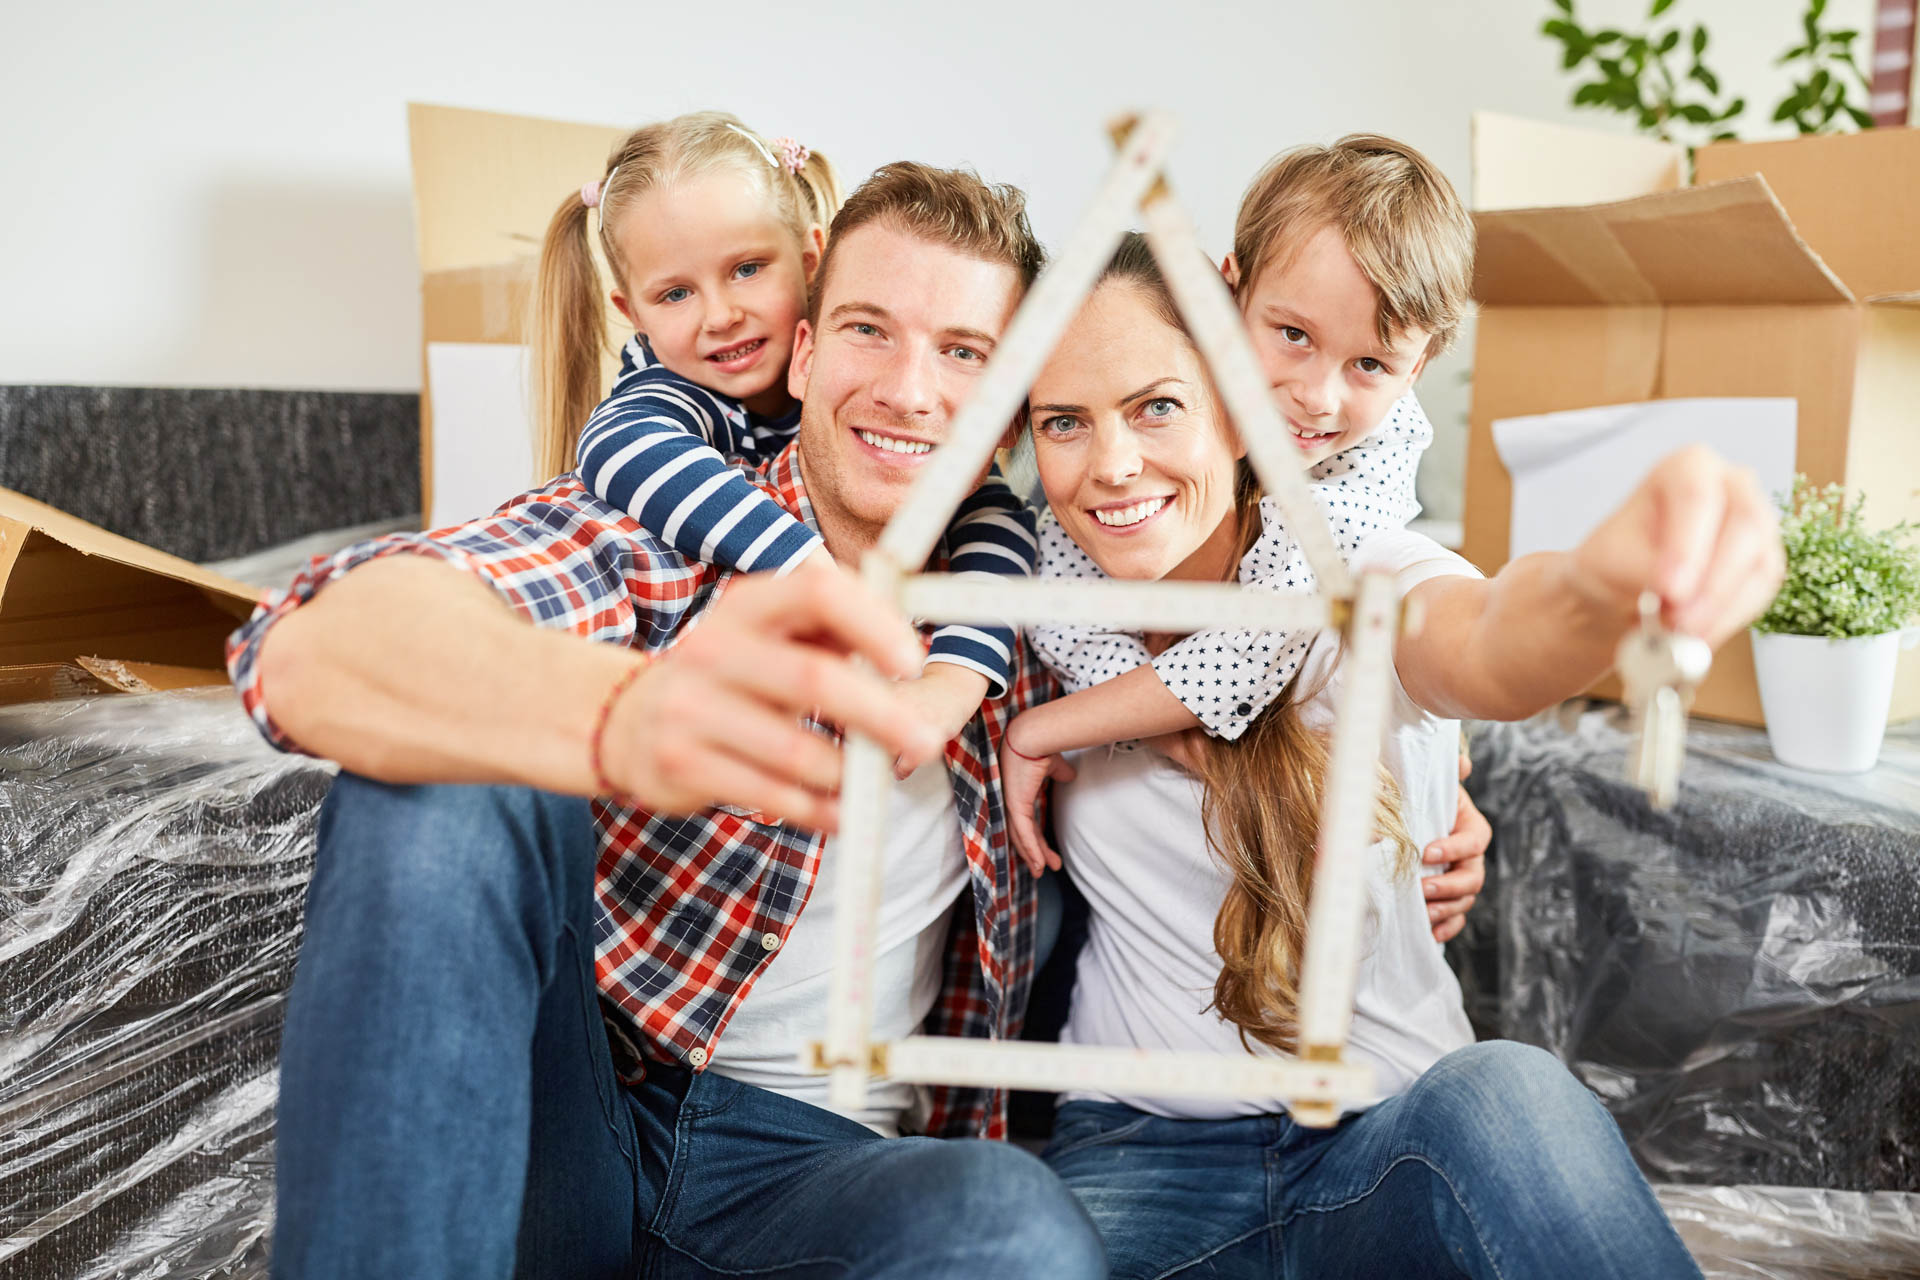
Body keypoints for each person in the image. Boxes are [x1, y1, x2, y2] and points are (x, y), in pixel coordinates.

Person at [229, 162, 1105, 1280]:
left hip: (817, 1181)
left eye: (965, 353)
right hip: (573, 1114)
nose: (909, 389)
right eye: (868, 330)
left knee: (1015, 1222)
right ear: (802, 353)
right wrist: (618, 712)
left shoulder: (1039, 631)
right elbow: (313, 639)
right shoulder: (665, 529)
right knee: (449, 763)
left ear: (1010, 421)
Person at [1004, 235, 1780, 1279]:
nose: (1111, 466)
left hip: (1395, 1132)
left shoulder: (1355, 568)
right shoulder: (1027, 620)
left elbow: (1489, 633)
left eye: (1157, 406)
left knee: (1510, 1092)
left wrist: (1604, 587)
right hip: (1142, 1150)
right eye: (1064, 421)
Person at [1021, 136, 1485, 941]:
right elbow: (1056, 592)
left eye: (1370, 364)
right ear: (1230, 295)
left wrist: (1441, 779)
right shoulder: (1133, 431)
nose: (1315, 397)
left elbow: (1244, 654)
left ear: (1418, 369)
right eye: (1293, 336)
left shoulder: (1357, 483)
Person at [534, 110, 1036, 749]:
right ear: (633, 316)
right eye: (675, 295)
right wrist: (816, 579)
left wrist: (959, 674)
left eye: (747, 269)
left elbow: (1003, 517)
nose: (722, 316)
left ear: (809, 260)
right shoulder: (672, 392)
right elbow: (619, 450)